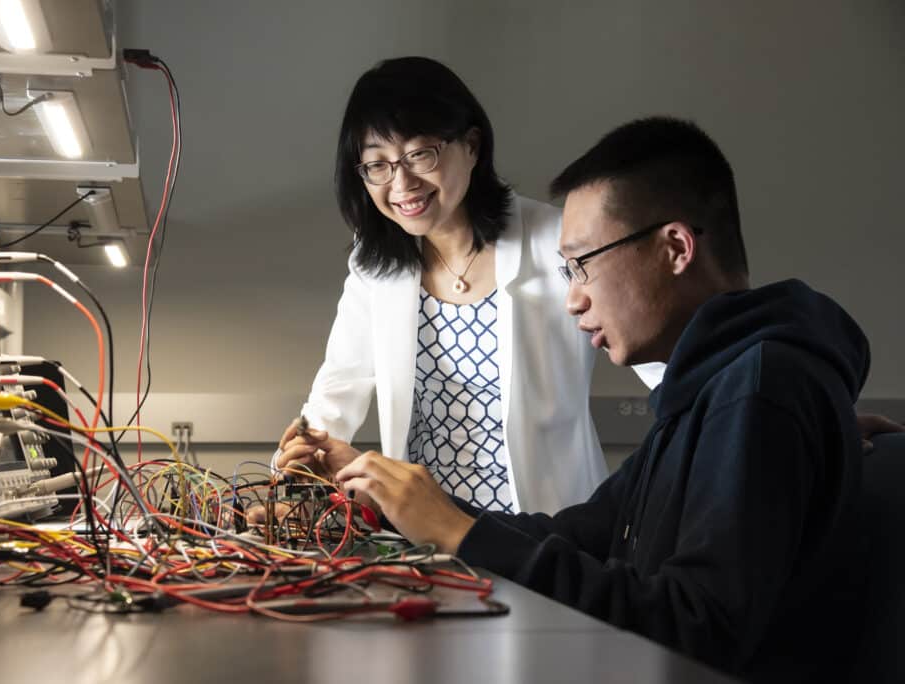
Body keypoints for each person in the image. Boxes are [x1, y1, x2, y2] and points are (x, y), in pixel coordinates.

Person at [282, 117, 869, 683]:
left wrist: (458, 533)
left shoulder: (758, 391)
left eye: (582, 266)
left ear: (675, 248)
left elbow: (697, 630)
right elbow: (582, 531)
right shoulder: (709, 390)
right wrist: (394, 507)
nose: (573, 299)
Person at [277, 56, 628, 513]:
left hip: (548, 531)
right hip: (424, 533)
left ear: (472, 145)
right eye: (376, 165)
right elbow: (335, 395)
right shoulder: (374, 260)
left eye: (420, 154)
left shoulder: (556, 241)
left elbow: (663, 360)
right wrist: (290, 479)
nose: (401, 183)